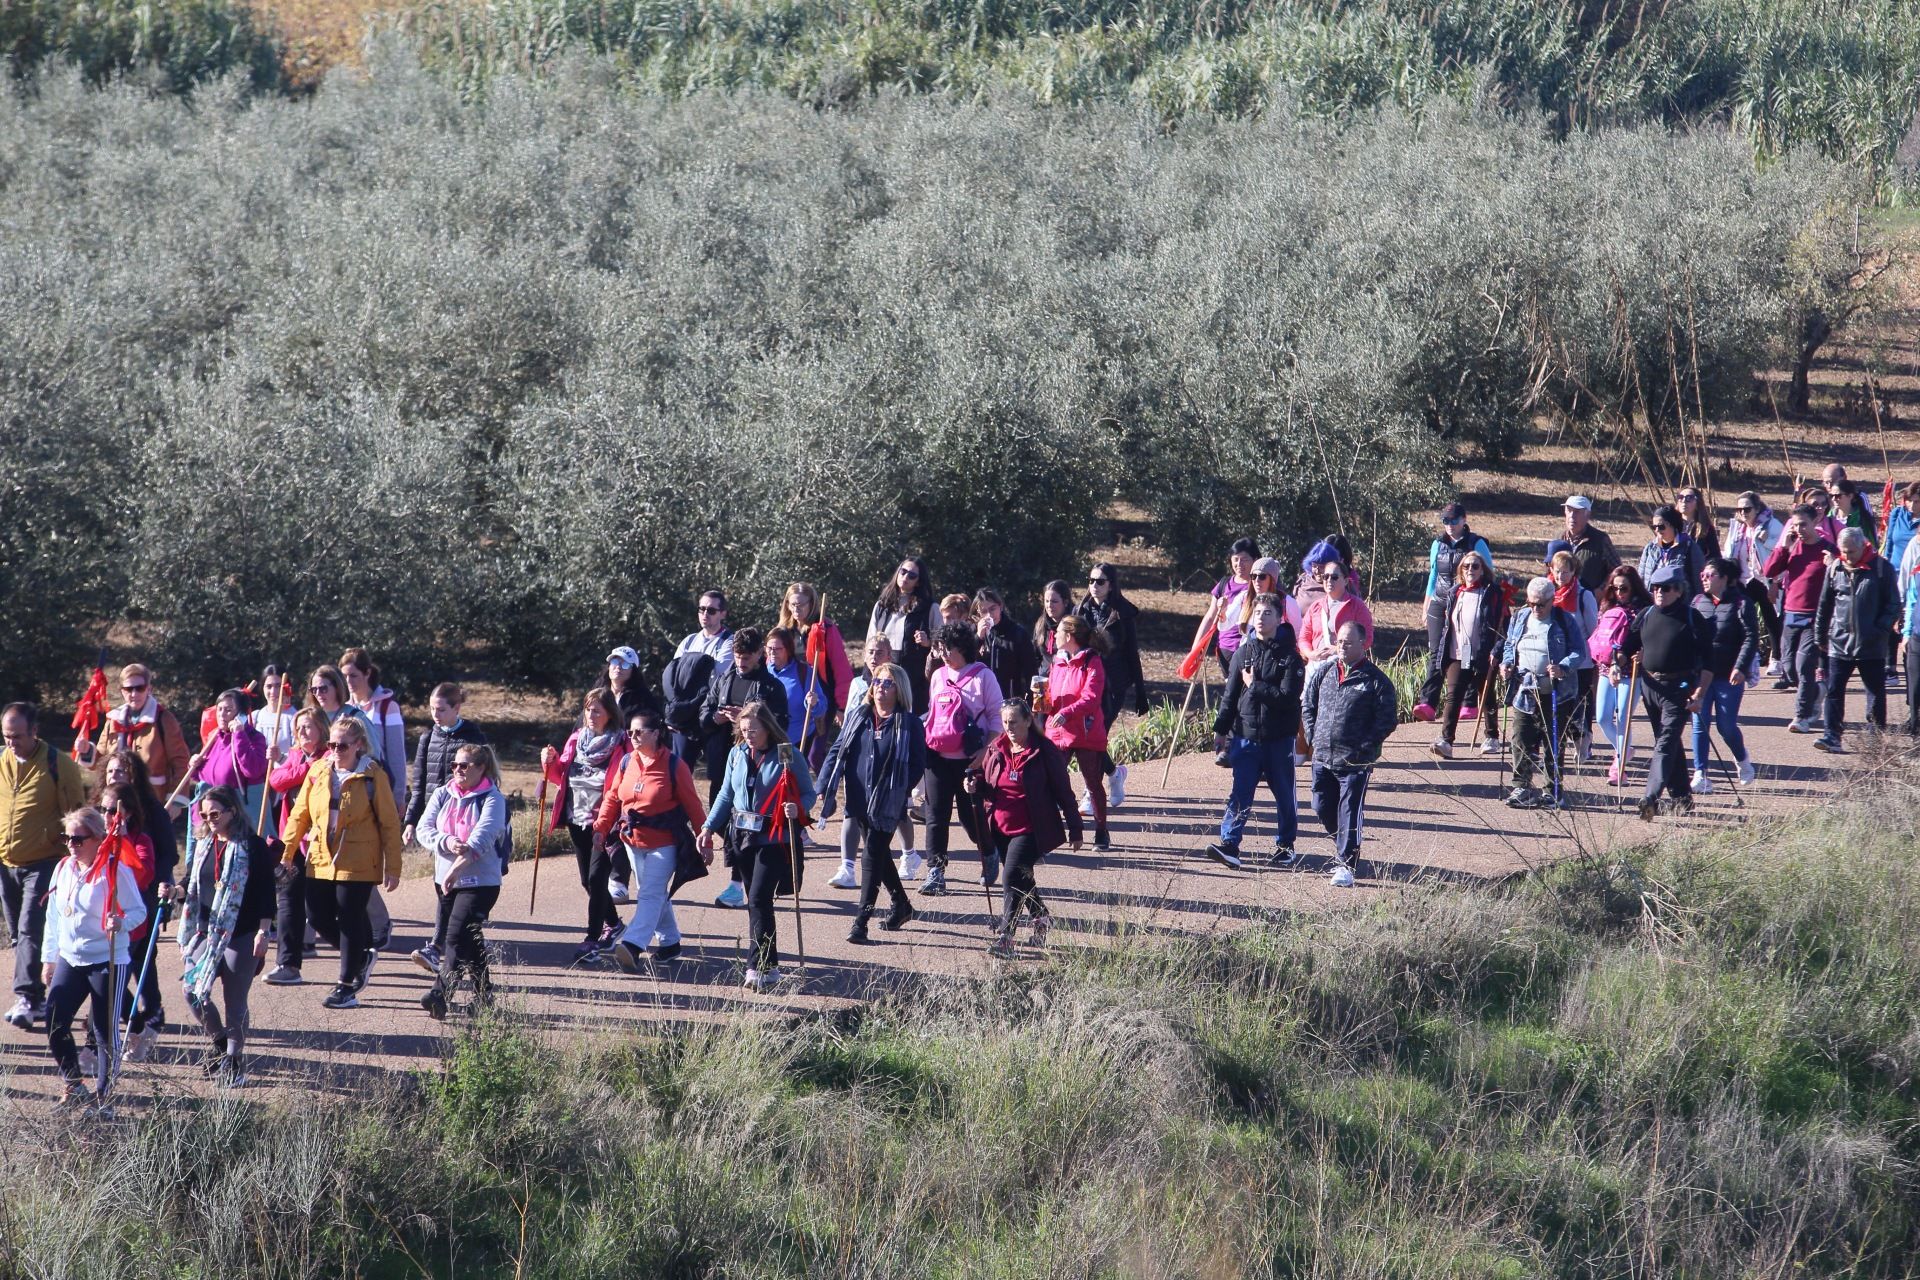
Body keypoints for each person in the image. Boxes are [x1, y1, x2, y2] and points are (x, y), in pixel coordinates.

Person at [278, 716, 402, 1010]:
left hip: (358, 858)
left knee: (349, 917)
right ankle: (360, 957)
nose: (335, 750)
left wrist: (393, 867)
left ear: (359, 745)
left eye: (342, 745)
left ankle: (346, 986)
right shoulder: (319, 770)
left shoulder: (373, 776)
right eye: (331, 744)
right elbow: (300, 814)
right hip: (320, 856)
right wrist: (287, 852)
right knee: (317, 916)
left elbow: (389, 824)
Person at [697, 703, 817, 992]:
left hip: (774, 837)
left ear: (767, 728)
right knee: (755, 902)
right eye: (743, 729)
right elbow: (726, 794)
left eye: (754, 729)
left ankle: (758, 966)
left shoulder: (787, 753)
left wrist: (797, 808)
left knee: (760, 899)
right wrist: (708, 828)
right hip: (742, 837)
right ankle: (771, 966)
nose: (748, 734)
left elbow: (809, 792)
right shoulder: (736, 754)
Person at [40, 806, 145, 1109]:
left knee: (103, 1030)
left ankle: (104, 1097)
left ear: (98, 839)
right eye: (67, 838)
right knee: (54, 1019)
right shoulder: (63, 868)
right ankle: (74, 1085)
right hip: (71, 959)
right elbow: (54, 917)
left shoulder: (114, 870)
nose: (71, 844)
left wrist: (121, 922)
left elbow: (139, 911)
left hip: (107, 959)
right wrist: (50, 959)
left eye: (78, 839)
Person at [592, 709, 707, 972]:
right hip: (632, 841)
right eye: (630, 732)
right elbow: (612, 797)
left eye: (639, 732)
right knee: (654, 893)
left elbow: (693, 806)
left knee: (649, 894)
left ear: (656, 734)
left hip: (665, 842)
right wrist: (601, 826)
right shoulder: (627, 761)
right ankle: (669, 943)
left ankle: (633, 945)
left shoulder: (674, 766)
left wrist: (705, 839)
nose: (632, 736)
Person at [816, 664, 924, 942]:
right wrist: (823, 784)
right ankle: (901, 904)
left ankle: (861, 921)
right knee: (879, 856)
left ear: (899, 689)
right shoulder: (858, 717)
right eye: (877, 681)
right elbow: (837, 751)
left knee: (870, 855)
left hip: (888, 803)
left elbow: (916, 765)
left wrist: (898, 792)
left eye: (888, 683)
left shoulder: (909, 724)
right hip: (858, 799)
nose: (880, 687)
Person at [177, 786, 277, 1085]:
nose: (209, 820)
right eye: (204, 815)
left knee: (235, 1002)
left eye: (215, 814)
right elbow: (191, 879)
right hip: (206, 932)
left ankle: (234, 1059)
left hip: (242, 932)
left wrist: (263, 930)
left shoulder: (253, 846)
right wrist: (176, 891)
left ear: (233, 810)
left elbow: (265, 892)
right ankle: (220, 1041)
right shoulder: (204, 843)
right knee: (192, 992)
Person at [967, 699, 1080, 958]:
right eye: (1005, 722)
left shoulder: (1045, 751)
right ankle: (1041, 917)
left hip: (1032, 828)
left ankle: (1006, 938)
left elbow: (1064, 791)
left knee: (1009, 879)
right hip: (1001, 827)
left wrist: (1075, 828)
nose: (1009, 728)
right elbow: (988, 782)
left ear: (1028, 721)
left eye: (1014, 722)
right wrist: (974, 785)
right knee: (1022, 880)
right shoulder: (996, 748)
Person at [0, 703, 88, 1030]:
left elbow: (76, 814)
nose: (11, 743)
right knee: (18, 934)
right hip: (6, 861)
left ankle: (26, 996)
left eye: (17, 736)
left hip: (45, 862)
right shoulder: (2, 760)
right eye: (6, 736)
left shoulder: (58, 764)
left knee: (28, 928)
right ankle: (36, 998)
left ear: (34, 732)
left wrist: (76, 856)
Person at [1205, 593, 1305, 869]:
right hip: (1245, 737)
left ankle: (1285, 845)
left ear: (1279, 618)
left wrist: (1255, 684)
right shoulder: (1243, 652)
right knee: (1240, 792)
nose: (1261, 618)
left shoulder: (1291, 658)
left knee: (1284, 793)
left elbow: (1287, 698)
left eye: (1267, 613)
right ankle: (1230, 845)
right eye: (1257, 613)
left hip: (1278, 738)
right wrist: (1221, 730)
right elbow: (1230, 696)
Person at [416, 744, 511, 1017]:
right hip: (445, 881)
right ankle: (484, 997)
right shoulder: (442, 794)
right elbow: (425, 829)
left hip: (480, 883)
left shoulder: (493, 799)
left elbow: (481, 839)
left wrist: (457, 868)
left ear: (481, 768)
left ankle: (439, 993)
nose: (458, 770)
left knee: (455, 937)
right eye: (455, 765)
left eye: (465, 765)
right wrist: (445, 841)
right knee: (469, 940)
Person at [1611, 564, 1711, 820]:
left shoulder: (1692, 618)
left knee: (1665, 744)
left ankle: (1650, 797)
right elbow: (1627, 645)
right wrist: (1616, 663)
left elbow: (1709, 663)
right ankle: (1682, 800)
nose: (1659, 593)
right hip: (1650, 687)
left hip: (1679, 690)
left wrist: (1699, 694)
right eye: (1655, 587)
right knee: (1668, 743)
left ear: (1678, 591)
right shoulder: (1645, 614)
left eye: (1665, 588)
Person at [1301, 622, 1396, 888]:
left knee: (1350, 810)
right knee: (1320, 806)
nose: (1342, 647)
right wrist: (1312, 737)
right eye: (1340, 641)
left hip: (1354, 762)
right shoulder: (1324, 672)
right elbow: (1308, 705)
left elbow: (1386, 720)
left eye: (1349, 643)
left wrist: (1364, 748)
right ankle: (1345, 844)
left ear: (1363, 645)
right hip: (1322, 756)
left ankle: (1346, 864)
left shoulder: (1376, 680)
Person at [824, 636, 924, 888]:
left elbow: (907, 739)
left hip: (889, 764)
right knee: (853, 813)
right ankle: (847, 867)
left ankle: (909, 855)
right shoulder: (858, 684)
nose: (873, 656)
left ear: (889, 655)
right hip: (859, 760)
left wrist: (901, 784)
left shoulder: (898, 683)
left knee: (895, 818)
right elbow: (849, 721)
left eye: (879, 652)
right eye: (870, 651)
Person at [701, 628, 787, 908]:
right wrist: (718, 717)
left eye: (747, 657)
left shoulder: (772, 687)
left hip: (758, 764)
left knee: (747, 822)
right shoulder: (724, 678)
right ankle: (746, 881)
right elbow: (703, 715)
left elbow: (782, 726)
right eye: (738, 657)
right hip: (723, 759)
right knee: (728, 821)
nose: (741, 663)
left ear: (760, 654)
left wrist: (749, 721)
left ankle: (741, 884)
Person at [540, 689, 628, 960]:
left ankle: (592, 940)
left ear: (610, 714)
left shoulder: (621, 743)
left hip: (605, 822)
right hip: (577, 817)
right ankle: (614, 924)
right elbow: (560, 775)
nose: (591, 715)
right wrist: (550, 762)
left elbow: (623, 780)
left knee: (596, 878)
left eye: (597, 710)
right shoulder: (577, 739)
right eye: (589, 709)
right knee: (587, 882)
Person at [920, 623, 1005, 896]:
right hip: (937, 756)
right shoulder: (937, 676)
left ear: (964, 647)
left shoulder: (984, 677)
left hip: (970, 759)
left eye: (949, 648)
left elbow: (997, 718)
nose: (943, 654)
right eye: (940, 647)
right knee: (936, 815)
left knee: (972, 817)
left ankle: (988, 851)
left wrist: (985, 752)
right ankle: (936, 871)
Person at [1500, 577, 1590, 809]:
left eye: (1540, 604)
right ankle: (1522, 786)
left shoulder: (1563, 620)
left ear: (1552, 601)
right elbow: (1509, 645)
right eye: (1531, 604)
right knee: (1520, 739)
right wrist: (1507, 663)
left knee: (1552, 742)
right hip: (1525, 688)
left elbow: (1579, 651)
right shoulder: (1520, 617)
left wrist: (1563, 667)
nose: (1535, 609)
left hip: (1556, 693)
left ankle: (1553, 790)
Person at [1814, 526, 1898, 753]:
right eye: (1844, 552)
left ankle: (1875, 739)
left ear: (1863, 546)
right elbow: (1824, 604)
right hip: (1839, 642)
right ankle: (1832, 735)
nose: (1848, 557)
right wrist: (1820, 635)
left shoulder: (1882, 568)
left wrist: (1879, 630)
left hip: (1871, 645)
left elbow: (1893, 605)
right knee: (1834, 691)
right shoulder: (1835, 568)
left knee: (1875, 693)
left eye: (1851, 551)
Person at [1076, 563, 1150, 810]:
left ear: (1111, 585)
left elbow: (1132, 653)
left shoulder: (1122, 613)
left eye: (1100, 581)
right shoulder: (1082, 610)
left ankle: (1090, 792)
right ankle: (1114, 774)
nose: (1094, 586)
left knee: (1097, 735)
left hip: (1114, 684)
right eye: (1091, 580)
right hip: (1088, 684)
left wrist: (1141, 692)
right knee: (1088, 738)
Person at [262, 708, 328, 986]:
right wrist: (298, 768)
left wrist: (297, 771)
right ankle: (287, 964)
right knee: (287, 899)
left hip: (320, 840)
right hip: (291, 838)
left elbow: (310, 775)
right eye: (298, 727)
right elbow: (276, 781)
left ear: (322, 729)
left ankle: (359, 952)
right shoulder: (294, 755)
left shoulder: (328, 757)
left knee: (319, 908)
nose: (301, 732)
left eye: (308, 727)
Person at [94, 782, 158, 1064]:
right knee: (104, 982)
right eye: (102, 809)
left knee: (110, 983)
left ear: (127, 813)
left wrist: (124, 845)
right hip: (97, 926)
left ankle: (120, 1038)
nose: (107, 816)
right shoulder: (95, 839)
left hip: (128, 927)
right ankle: (137, 1030)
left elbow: (143, 877)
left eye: (112, 811)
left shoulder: (142, 841)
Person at [1414, 501, 1495, 723]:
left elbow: (1489, 573)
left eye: (1454, 520)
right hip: (1439, 603)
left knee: (1464, 650)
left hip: (1467, 602)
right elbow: (1432, 577)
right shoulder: (1437, 544)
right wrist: (1426, 606)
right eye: (1445, 521)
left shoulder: (1476, 544)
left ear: (1464, 520)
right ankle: (1428, 703)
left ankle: (1468, 703)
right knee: (1436, 651)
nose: (1449, 525)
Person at [1763, 504, 1837, 733]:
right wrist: (1783, 548)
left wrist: (1833, 565)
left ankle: (1802, 716)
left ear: (1816, 522)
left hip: (1814, 618)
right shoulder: (1792, 548)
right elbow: (1769, 571)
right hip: (1790, 614)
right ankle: (1816, 691)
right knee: (1790, 669)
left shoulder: (1828, 550)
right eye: (1795, 525)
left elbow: (1843, 580)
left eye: (1803, 524)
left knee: (1804, 666)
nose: (1799, 529)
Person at [1428, 553, 1508, 760]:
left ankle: (1491, 737)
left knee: (1486, 693)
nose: (1470, 570)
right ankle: (1446, 741)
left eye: (1475, 566)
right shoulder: (1455, 592)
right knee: (1454, 694)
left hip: (1483, 652)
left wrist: (1497, 651)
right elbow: (1449, 625)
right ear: (1460, 570)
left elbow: (1503, 626)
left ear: (1482, 570)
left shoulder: (1492, 593)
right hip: (1460, 652)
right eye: (1466, 567)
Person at [1690, 558, 1760, 791]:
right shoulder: (1698, 601)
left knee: (1726, 726)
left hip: (1728, 675)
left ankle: (1742, 759)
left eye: (1710, 575)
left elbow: (1751, 637)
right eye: (1703, 575)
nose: (1704, 579)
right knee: (1700, 723)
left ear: (1725, 579)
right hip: (1701, 675)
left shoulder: (1742, 603)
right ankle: (1700, 773)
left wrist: (1741, 667)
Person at [1043, 615, 1111, 852]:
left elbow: (1091, 698)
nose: (1054, 635)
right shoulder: (1057, 661)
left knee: (1092, 782)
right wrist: (1042, 703)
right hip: (1057, 732)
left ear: (1069, 636)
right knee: (1051, 780)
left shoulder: (1092, 661)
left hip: (1085, 732)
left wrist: (1068, 711)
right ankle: (1059, 829)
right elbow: (1052, 694)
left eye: (1058, 631)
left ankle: (1101, 830)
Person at [86, 664, 191, 810]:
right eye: (128, 689)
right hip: (115, 801)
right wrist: (86, 751)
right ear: (122, 691)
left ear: (149, 689)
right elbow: (101, 763)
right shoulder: (113, 720)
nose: (134, 694)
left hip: (152, 801)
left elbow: (181, 762)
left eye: (139, 688)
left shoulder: (163, 719)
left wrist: (175, 801)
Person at [779, 581, 853, 763]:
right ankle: (787, 788)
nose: (797, 609)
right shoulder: (783, 631)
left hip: (819, 699)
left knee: (814, 756)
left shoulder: (825, 629)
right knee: (786, 753)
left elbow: (841, 668)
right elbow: (772, 664)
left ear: (811, 605)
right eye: (793, 604)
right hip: (791, 701)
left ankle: (824, 790)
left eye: (801, 604)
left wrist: (842, 706)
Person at [1590, 565, 1651, 785]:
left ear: (1634, 587)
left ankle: (1619, 767)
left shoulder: (1645, 609)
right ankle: (1624, 750)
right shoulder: (1607, 607)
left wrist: (1644, 653)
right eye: (1615, 588)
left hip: (1631, 671)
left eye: (1624, 588)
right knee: (1603, 718)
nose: (1619, 593)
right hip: (1607, 669)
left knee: (1623, 717)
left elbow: (1650, 637)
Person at [661, 589, 733, 761]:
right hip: (686, 716)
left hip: (712, 716)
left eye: (711, 610)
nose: (705, 614)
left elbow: (715, 678)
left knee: (717, 773)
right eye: (701, 609)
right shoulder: (690, 640)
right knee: (679, 768)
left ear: (723, 614)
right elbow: (673, 675)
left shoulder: (730, 641)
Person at [1549, 549, 1602, 760]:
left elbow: (1592, 628)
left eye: (1565, 572)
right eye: (1557, 571)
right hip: (1558, 661)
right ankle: (1574, 738)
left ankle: (1584, 741)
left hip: (1582, 662)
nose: (1561, 576)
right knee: (1564, 704)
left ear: (1573, 572)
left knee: (1581, 703)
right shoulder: (1548, 594)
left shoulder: (1583, 595)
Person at [1723, 492, 1785, 672]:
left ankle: (1776, 658)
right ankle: (1749, 656)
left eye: (1747, 509)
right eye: (1739, 509)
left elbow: (1783, 548)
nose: (1743, 512)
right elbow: (1728, 552)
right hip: (1744, 579)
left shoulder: (1771, 524)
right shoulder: (1737, 528)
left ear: (1757, 509)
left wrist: (1767, 540)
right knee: (1741, 617)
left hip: (1765, 578)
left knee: (1771, 617)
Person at [339, 649, 406, 814]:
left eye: (353, 675)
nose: (348, 681)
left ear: (367, 672)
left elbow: (397, 755)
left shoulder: (388, 707)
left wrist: (398, 796)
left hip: (379, 787)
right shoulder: (344, 709)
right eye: (344, 676)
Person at [1297, 556, 1375, 689]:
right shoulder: (1315, 607)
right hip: (1316, 668)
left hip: (1346, 671)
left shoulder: (1357, 606)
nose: (1328, 580)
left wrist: (1339, 650)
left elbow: (1367, 638)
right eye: (1325, 576)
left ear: (1345, 581)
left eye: (1334, 577)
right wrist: (1311, 654)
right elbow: (1303, 638)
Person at [868, 557, 935, 711]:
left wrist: (928, 642)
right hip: (883, 675)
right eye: (903, 572)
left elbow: (942, 646)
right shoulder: (881, 606)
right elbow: (870, 642)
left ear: (918, 581)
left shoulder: (930, 608)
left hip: (914, 680)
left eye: (912, 575)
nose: (905, 577)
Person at [1191, 538, 1260, 676]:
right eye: (1235, 559)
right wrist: (1196, 648)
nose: (1239, 564)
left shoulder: (1261, 584)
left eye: (1244, 559)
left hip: (1251, 651)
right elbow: (1210, 617)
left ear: (1256, 559)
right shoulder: (1224, 584)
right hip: (1225, 651)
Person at [974, 587, 1038, 715]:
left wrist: (1030, 704)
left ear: (1000, 606)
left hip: (1012, 701)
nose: (989, 615)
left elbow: (1030, 671)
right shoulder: (979, 634)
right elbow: (968, 662)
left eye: (993, 609)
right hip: (985, 702)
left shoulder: (1017, 634)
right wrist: (978, 639)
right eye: (984, 611)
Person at [1544, 495, 1621, 593]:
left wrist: (1602, 590)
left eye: (1577, 512)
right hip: (1559, 598)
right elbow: (1548, 569)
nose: (1572, 516)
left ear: (1587, 515)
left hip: (1590, 599)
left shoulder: (1600, 539)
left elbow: (1617, 570)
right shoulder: (1558, 539)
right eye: (1569, 510)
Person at [764, 627, 821, 758]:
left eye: (778, 649)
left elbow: (822, 707)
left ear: (788, 649)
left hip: (793, 740)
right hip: (767, 739)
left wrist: (813, 703)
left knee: (787, 775)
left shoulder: (805, 672)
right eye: (769, 648)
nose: (772, 653)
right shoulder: (764, 671)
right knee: (770, 777)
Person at [1638, 505, 1708, 592]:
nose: (1657, 530)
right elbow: (1641, 578)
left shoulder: (1690, 548)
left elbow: (1699, 582)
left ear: (1674, 525)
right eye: (1654, 527)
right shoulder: (1650, 548)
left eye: (1661, 526)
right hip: (1653, 601)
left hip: (1680, 602)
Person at [1032, 579, 1073, 670]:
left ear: (1065, 602)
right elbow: (1035, 656)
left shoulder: (1073, 627)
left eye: (1054, 601)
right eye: (1046, 601)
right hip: (1043, 680)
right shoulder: (1040, 624)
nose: (1049, 605)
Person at [1672, 486, 1721, 559]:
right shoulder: (1670, 525)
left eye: (1689, 498)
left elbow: (1716, 557)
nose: (1684, 501)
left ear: (1698, 503)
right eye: (1680, 497)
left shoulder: (1706, 529)